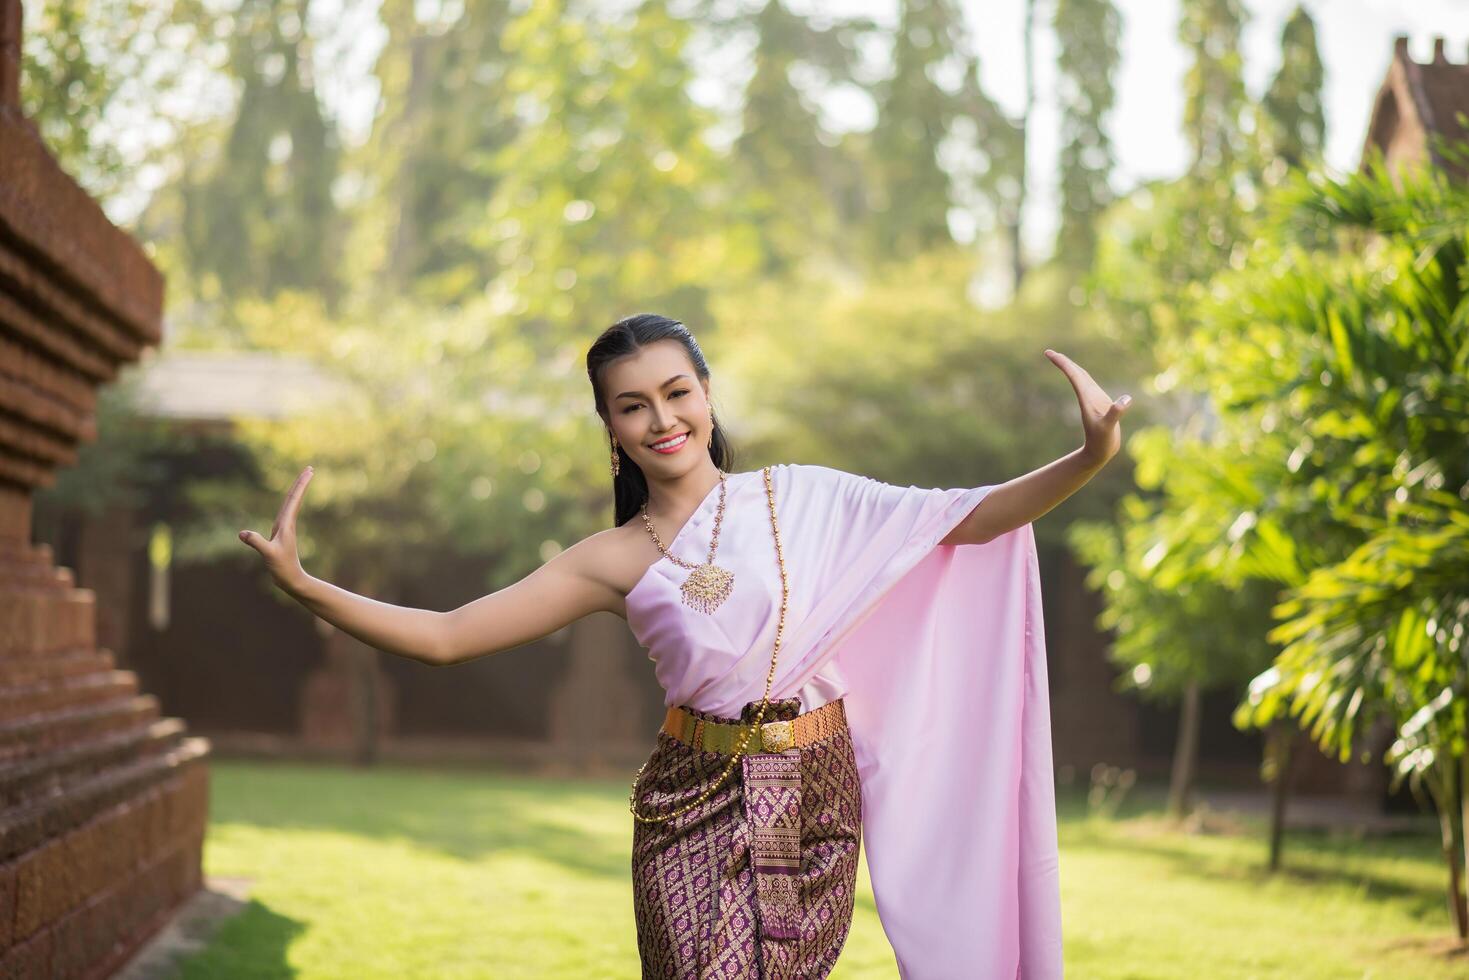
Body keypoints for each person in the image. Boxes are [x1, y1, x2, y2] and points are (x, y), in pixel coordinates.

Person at [239, 312, 1131, 979]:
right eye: (632, 406)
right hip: (687, 803)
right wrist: (306, 585)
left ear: (706, 395)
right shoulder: (611, 560)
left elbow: (963, 521)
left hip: (811, 799)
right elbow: (445, 637)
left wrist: (1086, 457)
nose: (661, 419)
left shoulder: (802, 498)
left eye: (677, 393)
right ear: (611, 427)